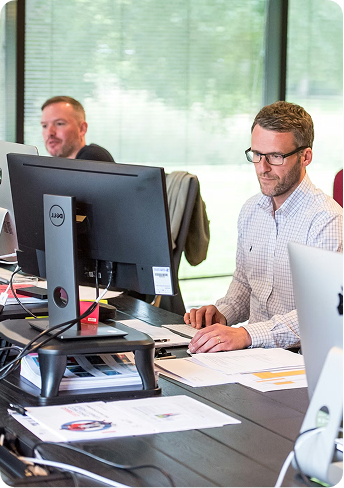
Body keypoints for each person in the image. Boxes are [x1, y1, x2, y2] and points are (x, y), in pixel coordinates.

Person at [185, 101, 343, 353]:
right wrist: (221, 315)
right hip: (254, 356)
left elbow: (320, 314)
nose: (262, 168)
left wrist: (246, 334)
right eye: (256, 154)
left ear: (306, 157)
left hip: (299, 363)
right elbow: (245, 286)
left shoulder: (327, 219)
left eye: (275, 157)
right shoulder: (251, 210)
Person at [41, 96, 115, 162]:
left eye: (59, 124)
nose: (49, 133)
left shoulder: (92, 157)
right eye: (45, 126)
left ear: (82, 129)